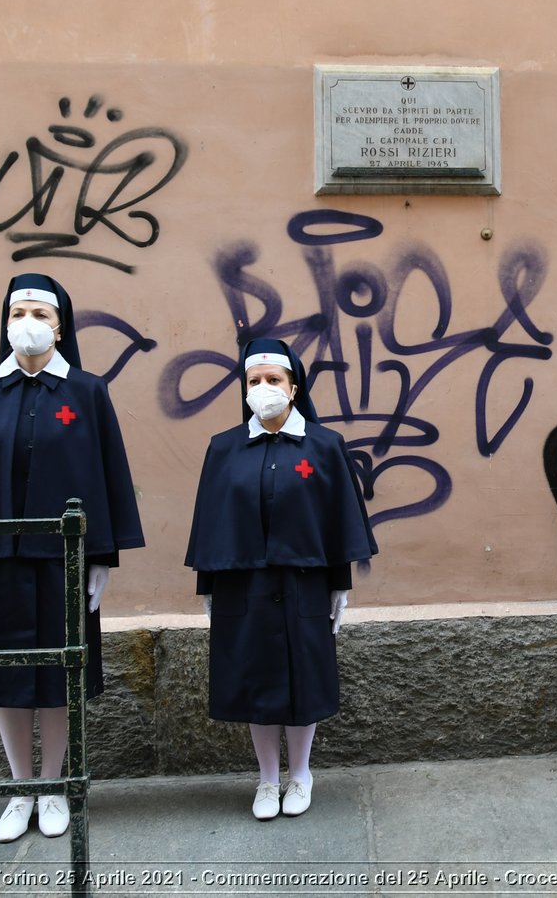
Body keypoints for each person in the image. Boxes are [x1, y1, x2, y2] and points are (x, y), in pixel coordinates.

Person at [0, 273, 145, 841]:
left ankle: (54, 785)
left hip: (61, 562)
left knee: (57, 673)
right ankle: (21, 787)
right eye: (19, 312)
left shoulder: (86, 392)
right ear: (4, 321)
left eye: (41, 315)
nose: (29, 324)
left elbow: (108, 475)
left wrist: (101, 557)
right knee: (7, 677)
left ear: (61, 326)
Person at [185, 337, 378, 820]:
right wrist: (208, 587)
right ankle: (268, 779)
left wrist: (341, 583)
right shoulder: (224, 448)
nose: (264, 388)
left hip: (304, 584)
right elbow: (209, 521)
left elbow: (339, 521)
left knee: (304, 679)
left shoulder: (324, 446)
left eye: (274, 380)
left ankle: (301, 774)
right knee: (256, 680)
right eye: (254, 381)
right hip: (242, 585)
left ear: (294, 387)